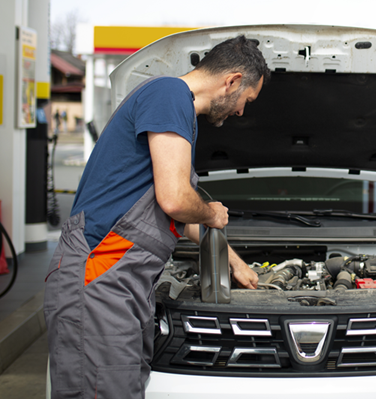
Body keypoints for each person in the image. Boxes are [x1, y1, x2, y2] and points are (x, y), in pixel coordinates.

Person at [44, 35, 271, 399]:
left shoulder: (175, 109)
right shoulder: (168, 94)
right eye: (248, 99)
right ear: (232, 81)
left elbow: (175, 214)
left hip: (121, 282)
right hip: (100, 274)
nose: (242, 111)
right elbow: (176, 200)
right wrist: (211, 212)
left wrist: (234, 262)